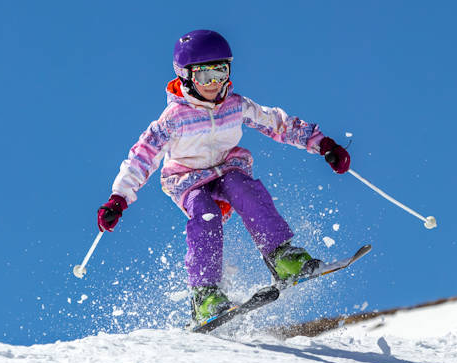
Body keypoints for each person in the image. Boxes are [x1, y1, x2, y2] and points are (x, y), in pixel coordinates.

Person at [97, 29, 351, 323]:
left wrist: (323, 145)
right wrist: (118, 198)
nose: (214, 83)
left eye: (221, 72)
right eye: (205, 76)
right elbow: (142, 156)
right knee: (205, 214)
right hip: (187, 179)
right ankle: (205, 294)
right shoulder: (174, 118)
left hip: (228, 168)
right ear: (186, 77)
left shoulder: (235, 105)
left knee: (245, 189)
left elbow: (278, 124)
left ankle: (282, 256)